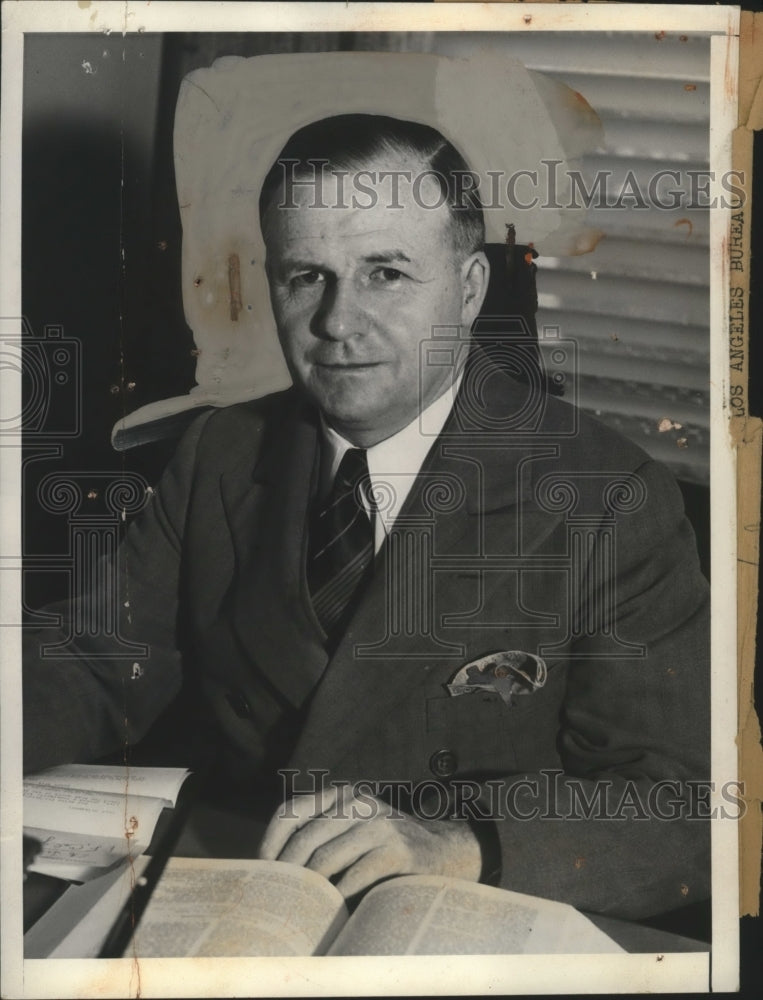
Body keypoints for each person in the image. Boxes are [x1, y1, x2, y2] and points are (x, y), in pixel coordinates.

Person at [24, 114, 710, 921]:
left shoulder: (607, 496)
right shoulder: (220, 450)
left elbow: (682, 804)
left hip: (459, 914)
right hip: (239, 888)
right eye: (305, 275)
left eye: (385, 273)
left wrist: (459, 845)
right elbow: (103, 661)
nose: (338, 323)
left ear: (469, 288)